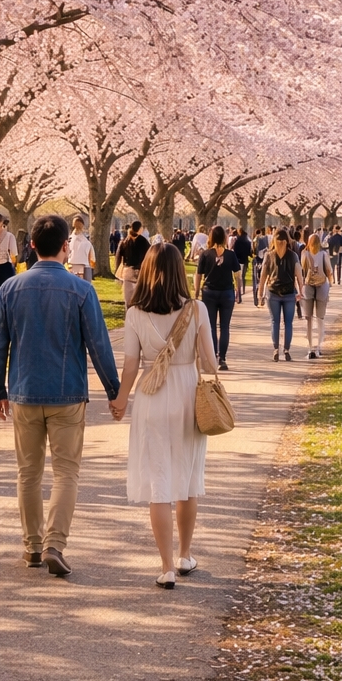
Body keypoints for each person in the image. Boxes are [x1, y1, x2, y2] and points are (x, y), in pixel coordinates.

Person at [0, 214, 121, 577]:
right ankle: (55, 543)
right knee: (66, 472)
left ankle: (32, 545)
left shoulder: (10, 289)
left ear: (31, 245)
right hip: (67, 393)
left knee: (27, 472)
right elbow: (99, 345)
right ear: (66, 247)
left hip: (24, 390)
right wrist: (115, 391)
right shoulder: (81, 290)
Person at [111, 244, 218, 589]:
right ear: (179, 272)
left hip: (152, 395)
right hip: (188, 394)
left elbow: (130, 364)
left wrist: (121, 400)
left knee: (159, 481)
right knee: (186, 480)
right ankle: (186, 555)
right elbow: (211, 363)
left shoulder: (135, 313)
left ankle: (167, 566)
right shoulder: (197, 309)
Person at [194, 225, 242, 370]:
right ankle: (223, 358)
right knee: (225, 326)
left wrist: (196, 292)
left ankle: (213, 355)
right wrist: (238, 291)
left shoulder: (205, 254)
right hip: (227, 292)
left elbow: (198, 275)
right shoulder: (231, 254)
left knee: (212, 327)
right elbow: (238, 275)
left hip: (209, 292)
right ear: (224, 237)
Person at [258, 228, 304, 362]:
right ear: (287, 241)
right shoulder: (293, 255)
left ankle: (276, 349)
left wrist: (260, 293)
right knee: (288, 323)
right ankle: (287, 350)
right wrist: (301, 291)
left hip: (273, 292)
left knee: (275, 322)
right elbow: (299, 275)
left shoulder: (269, 255)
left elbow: (263, 276)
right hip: (289, 293)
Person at [301, 232, 333, 359]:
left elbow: (302, 270)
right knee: (320, 319)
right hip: (322, 285)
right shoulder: (324, 254)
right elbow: (329, 270)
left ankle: (310, 348)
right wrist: (330, 284)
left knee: (309, 319)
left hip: (308, 285)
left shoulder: (305, 254)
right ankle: (318, 347)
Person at [115, 220, 150, 310]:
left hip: (127, 272)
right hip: (141, 272)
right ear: (140, 229)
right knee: (140, 300)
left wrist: (117, 270)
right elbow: (150, 255)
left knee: (128, 300)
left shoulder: (125, 241)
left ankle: (128, 318)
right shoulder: (144, 242)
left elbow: (118, 257)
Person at [232, 227, 252, 296]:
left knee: (237, 276)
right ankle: (243, 289)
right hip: (245, 260)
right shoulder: (247, 242)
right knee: (243, 276)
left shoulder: (237, 241)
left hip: (238, 260)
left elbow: (235, 251)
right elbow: (249, 252)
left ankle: (238, 289)